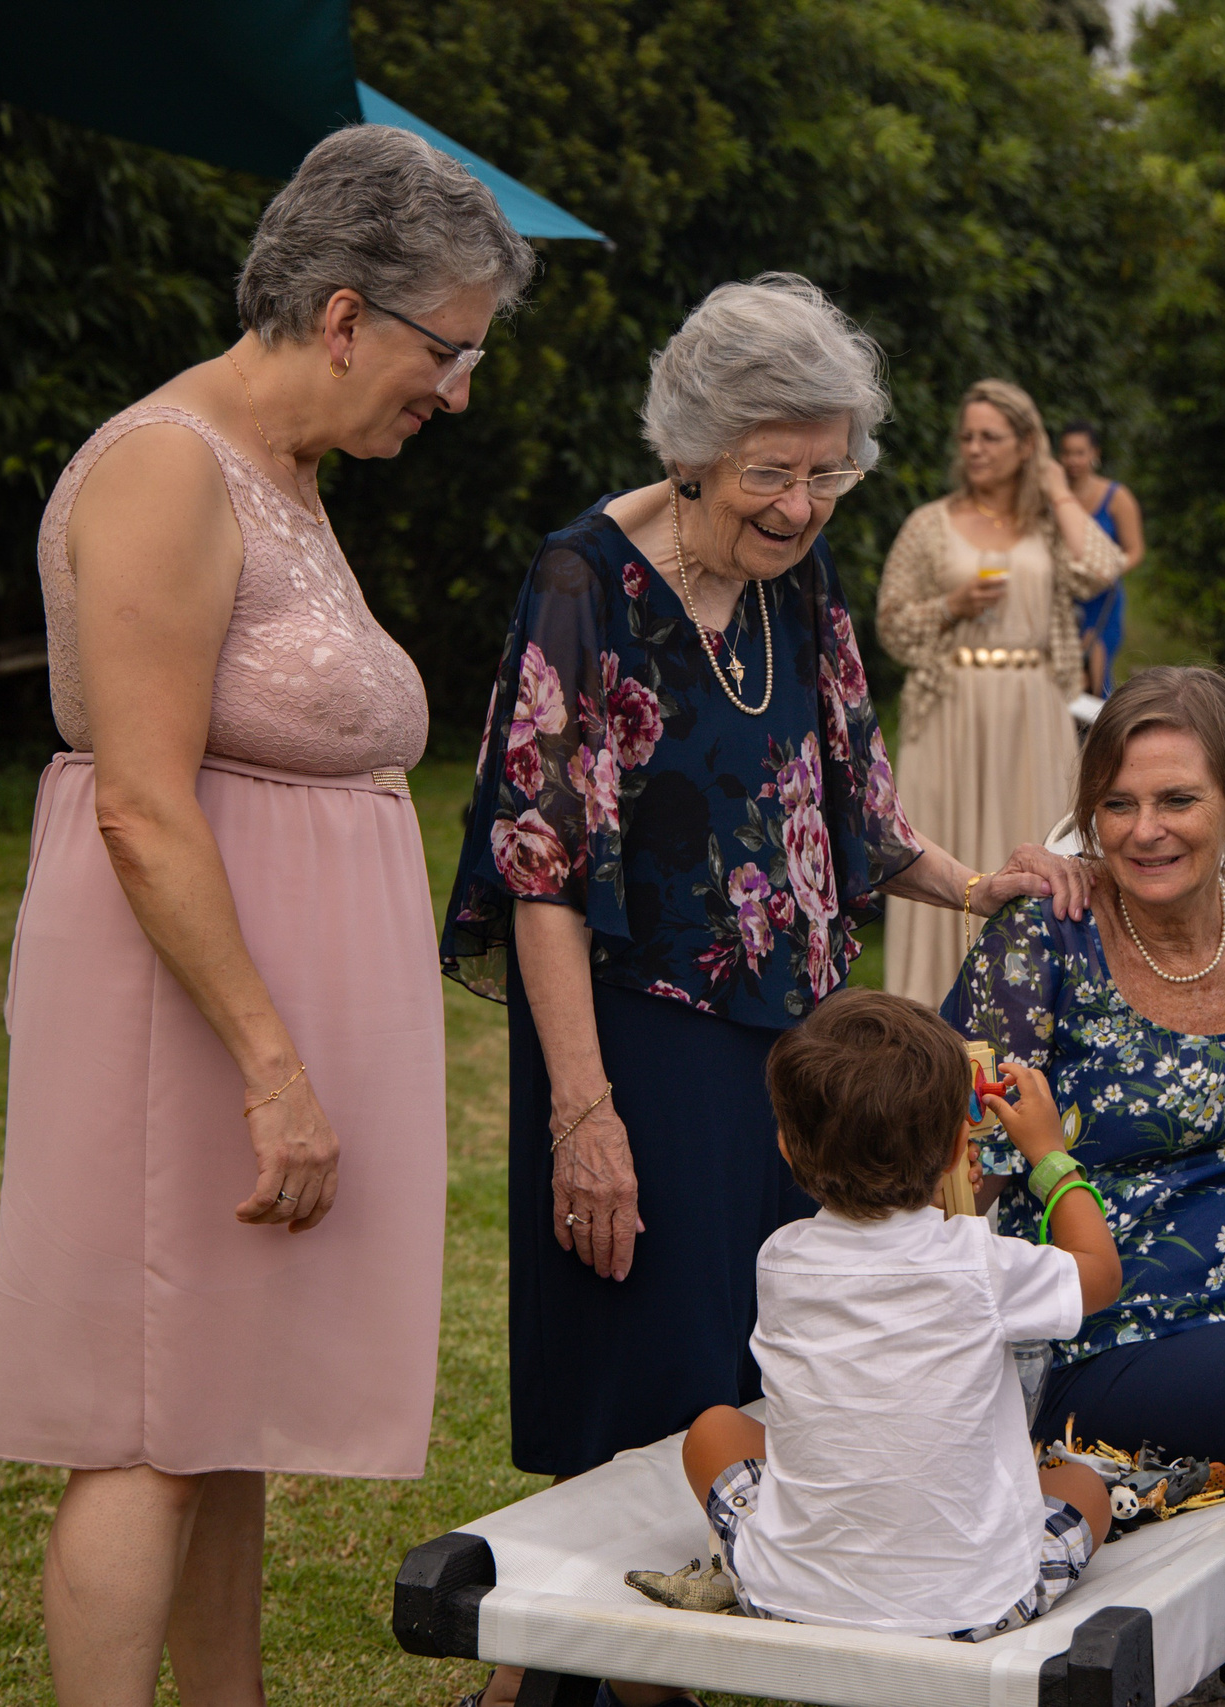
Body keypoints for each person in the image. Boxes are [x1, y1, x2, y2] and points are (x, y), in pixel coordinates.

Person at [0, 127, 534, 1706]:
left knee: (223, 1414)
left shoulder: (284, 473)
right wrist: (271, 1061)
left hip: (248, 1003)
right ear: (346, 313)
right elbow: (145, 802)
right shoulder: (167, 465)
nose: (459, 392)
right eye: (452, 350)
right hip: (183, 1015)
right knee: (151, 1418)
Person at [440, 274, 1092, 1485]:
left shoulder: (796, 572)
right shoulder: (583, 585)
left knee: (762, 1347)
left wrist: (975, 889)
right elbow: (539, 874)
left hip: (791, 1043)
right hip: (638, 1036)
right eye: (770, 474)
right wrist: (584, 1115)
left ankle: (715, 1604)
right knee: (650, 1349)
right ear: (692, 452)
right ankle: (567, 1663)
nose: (800, 508)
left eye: (827, 475)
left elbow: (849, 795)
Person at [943, 667, 1225, 1485]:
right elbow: (953, 1177)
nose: (1145, 830)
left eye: (1177, 800)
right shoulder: (1044, 944)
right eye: (1118, 804)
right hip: (1117, 1331)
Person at [679, 990, 1120, 1639]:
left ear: (788, 1147)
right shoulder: (981, 1262)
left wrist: (940, 1183)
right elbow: (1100, 1273)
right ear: (952, 1152)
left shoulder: (779, 1259)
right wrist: (1049, 1155)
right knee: (1082, 1485)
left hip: (787, 1595)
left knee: (713, 1429)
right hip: (972, 1608)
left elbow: (899, 1262)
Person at [876, 379, 1124, 1007]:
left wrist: (1056, 486)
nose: (975, 448)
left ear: (1025, 445)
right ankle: (927, 1013)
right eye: (967, 437)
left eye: (991, 436)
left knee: (1031, 840)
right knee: (947, 842)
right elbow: (891, 623)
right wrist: (951, 605)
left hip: (1032, 708)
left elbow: (1104, 564)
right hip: (951, 710)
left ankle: (1032, 1004)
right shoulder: (929, 524)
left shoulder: (1047, 528)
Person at [1057, 421, 1145, 697]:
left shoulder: (1116, 497)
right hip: (1062, 595)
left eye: (1080, 453)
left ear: (1094, 454)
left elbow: (1135, 550)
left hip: (1101, 598)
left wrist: (1106, 571)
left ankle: (1100, 732)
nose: (1073, 460)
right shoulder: (1053, 498)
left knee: (1096, 671)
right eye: (1067, 453)